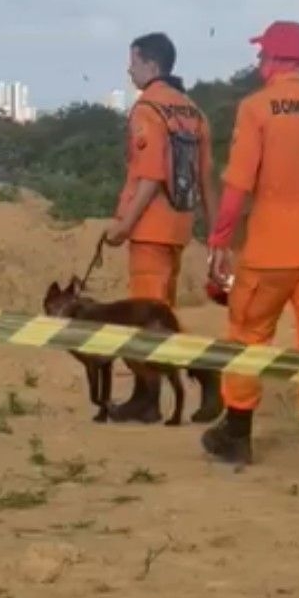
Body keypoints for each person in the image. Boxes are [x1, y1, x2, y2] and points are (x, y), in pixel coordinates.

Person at [203, 20, 299, 480]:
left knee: (248, 339)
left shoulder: (257, 108)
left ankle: (236, 434)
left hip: (270, 247)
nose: (258, 63)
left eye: (261, 55)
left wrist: (220, 240)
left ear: (273, 60)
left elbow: (236, 186)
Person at [104, 32, 218, 423]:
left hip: (150, 228)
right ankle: (153, 395)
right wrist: (216, 234)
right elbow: (206, 179)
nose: (129, 69)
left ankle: (164, 392)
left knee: (146, 321)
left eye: (133, 61)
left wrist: (123, 226)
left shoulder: (147, 110)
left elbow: (150, 175)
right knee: (161, 315)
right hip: (179, 225)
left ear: (151, 65)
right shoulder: (192, 111)